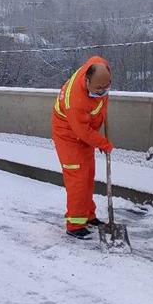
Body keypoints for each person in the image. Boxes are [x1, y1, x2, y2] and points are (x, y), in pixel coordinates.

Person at [51, 56, 113, 239]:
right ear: (87, 81)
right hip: (68, 136)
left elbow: (99, 97)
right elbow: (82, 131)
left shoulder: (99, 64)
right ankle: (75, 224)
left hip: (86, 132)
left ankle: (88, 215)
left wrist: (101, 96)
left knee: (88, 175)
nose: (102, 92)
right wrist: (102, 143)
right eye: (98, 89)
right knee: (78, 179)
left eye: (106, 87)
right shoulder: (75, 101)